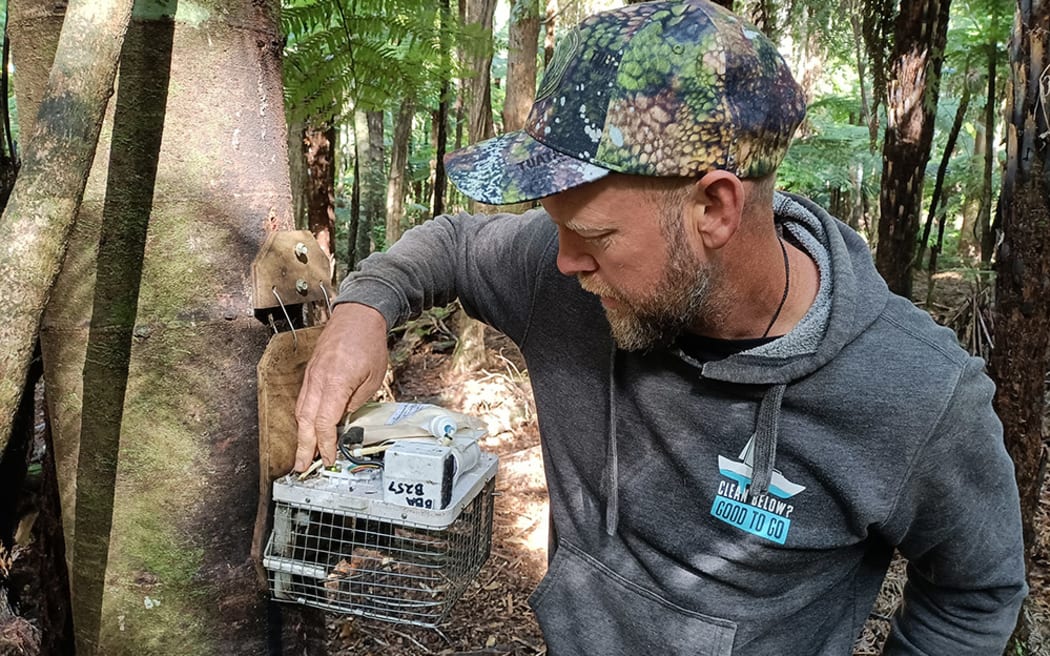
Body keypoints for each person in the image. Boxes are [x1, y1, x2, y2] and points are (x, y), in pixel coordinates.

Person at [294, 1, 1027, 653]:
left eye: (594, 236)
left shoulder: (918, 393)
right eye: (556, 230)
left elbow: (975, 591)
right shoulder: (574, 275)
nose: (562, 263)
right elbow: (452, 244)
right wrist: (362, 311)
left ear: (714, 208)